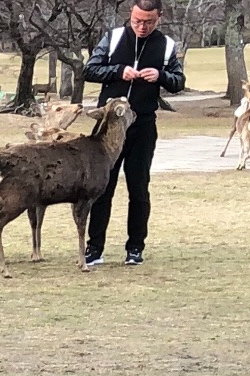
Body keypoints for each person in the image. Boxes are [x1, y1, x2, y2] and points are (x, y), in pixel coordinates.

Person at [82, 0, 185, 268]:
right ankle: (94, 248)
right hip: (108, 127)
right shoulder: (113, 38)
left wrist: (161, 76)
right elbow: (89, 70)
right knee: (103, 187)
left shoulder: (167, 46)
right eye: (137, 20)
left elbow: (179, 82)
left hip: (142, 126)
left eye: (148, 22)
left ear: (158, 18)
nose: (141, 26)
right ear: (131, 14)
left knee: (138, 188)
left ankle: (135, 247)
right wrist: (118, 71)